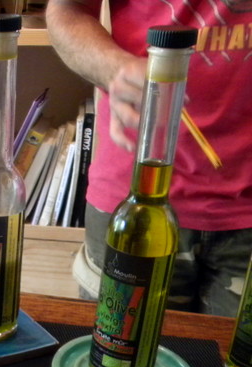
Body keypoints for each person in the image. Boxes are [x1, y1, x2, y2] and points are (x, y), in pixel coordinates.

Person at [45, 0, 252, 316]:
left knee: (231, 365)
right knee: (116, 358)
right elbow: (66, 11)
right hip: (135, 198)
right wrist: (114, 69)